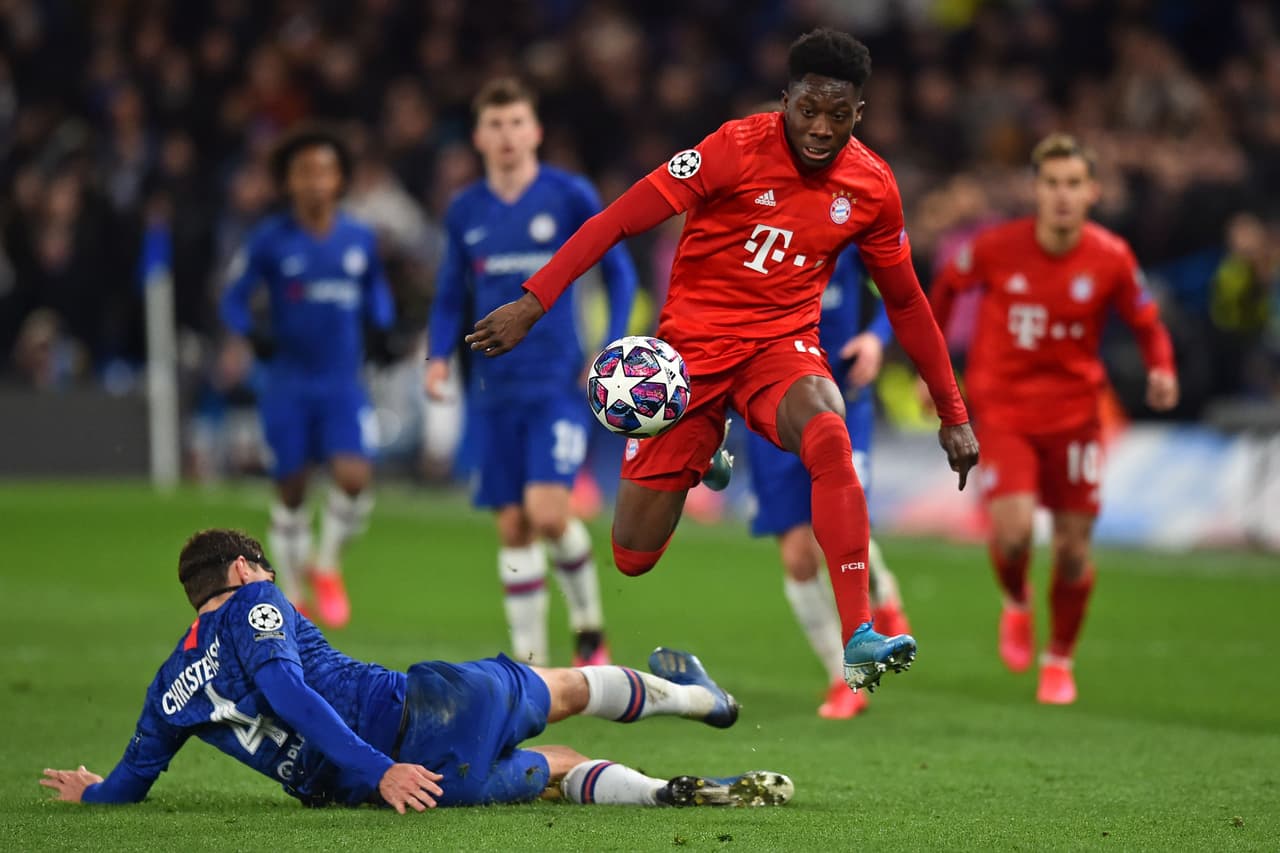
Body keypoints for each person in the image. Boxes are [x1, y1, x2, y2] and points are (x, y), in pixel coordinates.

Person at [464, 29, 979, 695]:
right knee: (632, 556)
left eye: (839, 114)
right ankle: (704, 446)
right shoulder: (732, 148)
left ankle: (859, 635)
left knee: (829, 431)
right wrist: (535, 300)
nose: (821, 129)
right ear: (786, 99)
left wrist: (952, 411)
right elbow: (617, 219)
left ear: (862, 111)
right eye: (808, 110)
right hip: (687, 364)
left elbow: (908, 303)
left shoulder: (874, 186)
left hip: (780, 350)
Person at [39, 529, 793, 811]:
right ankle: (703, 699)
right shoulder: (256, 603)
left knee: (554, 770)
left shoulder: (168, 685)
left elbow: (129, 786)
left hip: (410, 793)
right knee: (563, 688)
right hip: (415, 721)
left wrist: (93, 791)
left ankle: (668, 794)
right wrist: (386, 764)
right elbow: (287, 690)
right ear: (244, 567)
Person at [927, 133, 1179, 704]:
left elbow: (1146, 320)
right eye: (1051, 184)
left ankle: (1059, 659)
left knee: (1070, 551)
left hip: (1075, 417)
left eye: (1073, 184)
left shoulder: (1111, 256)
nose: (1062, 195)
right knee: (1013, 537)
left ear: (1092, 191)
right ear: (1034, 190)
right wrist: (931, 371)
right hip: (1006, 410)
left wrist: (1160, 367)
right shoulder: (995, 248)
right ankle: (1017, 602)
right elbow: (940, 292)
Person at [426, 78, 637, 667]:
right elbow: (450, 292)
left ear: (536, 131)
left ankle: (590, 629)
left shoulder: (568, 194)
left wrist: (610, 346)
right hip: (492, 388)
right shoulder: (465, 208)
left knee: (548, 515)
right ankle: (530, 666)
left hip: (557, 383)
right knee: (513, 526)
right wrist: (438, 355)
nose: (507, 136)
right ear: (478, 137)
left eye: (517, 123)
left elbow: (619, 272)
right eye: (495, 125)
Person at [220, 127, 395, 629]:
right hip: (288, 383)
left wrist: (383, 327)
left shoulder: (359, 237)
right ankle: (292, 589)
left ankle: (326, 564)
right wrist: (249, 333)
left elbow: (375, 294)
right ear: (288, 182)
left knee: (355, 478)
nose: (316, 181)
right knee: (293, 488)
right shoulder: (270, 240)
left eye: (325, 171)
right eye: (304, 172)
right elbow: (232, 298)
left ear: (339, 178)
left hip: (342, 382)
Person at [745, 244, 912, 719]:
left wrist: (877, 338)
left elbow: (897, 292)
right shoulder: (746, 228)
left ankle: (884, 596)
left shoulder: (846, 223)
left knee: (830, 530)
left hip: (839, 396)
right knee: (798, 557)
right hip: (769, 403)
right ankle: (842, 678)